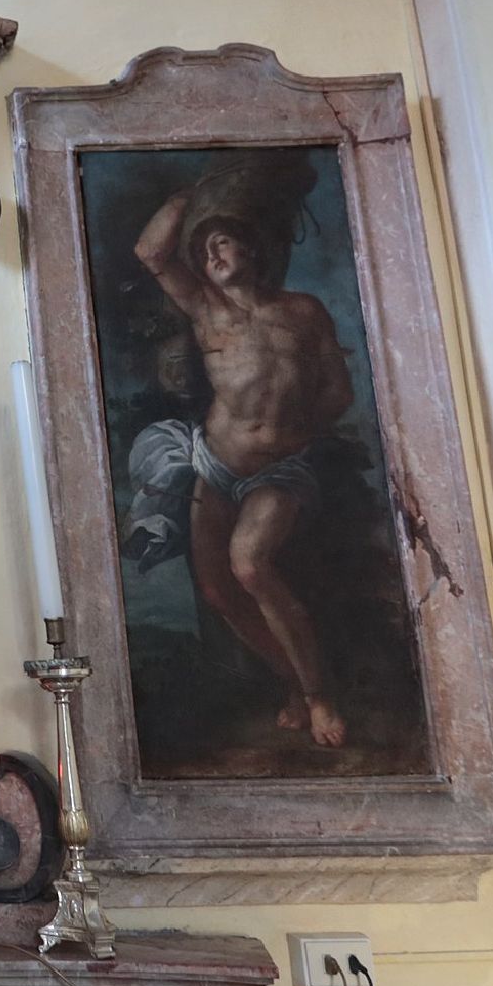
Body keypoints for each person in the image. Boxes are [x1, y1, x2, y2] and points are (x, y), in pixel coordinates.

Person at [128, 164, 354, 748]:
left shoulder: (304, 312)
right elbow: (151, 252)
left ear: (251, 248)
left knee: (250, 565)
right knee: (217, 590)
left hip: (280, 469)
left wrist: (299, 428)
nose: (212, 253)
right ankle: (291, 682)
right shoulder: (207, 310)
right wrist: (191, 196)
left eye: (223, 240)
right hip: (216, 465)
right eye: (204, 249)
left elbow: (338, 389)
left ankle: (321, 694)